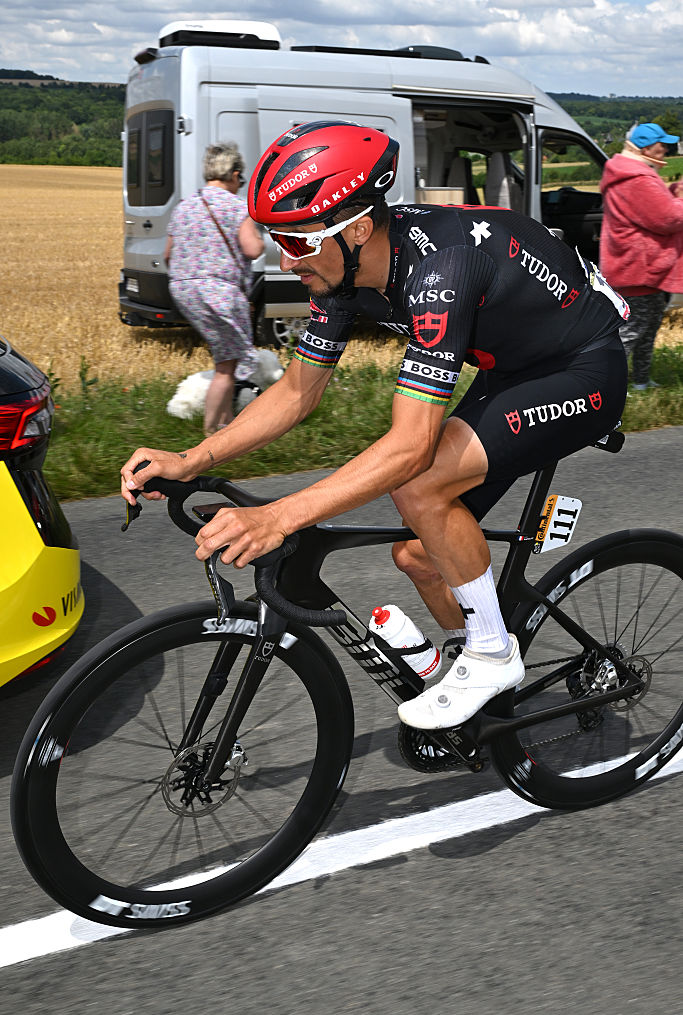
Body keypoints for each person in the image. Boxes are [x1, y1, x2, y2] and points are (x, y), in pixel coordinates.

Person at [122, 121, 628, 732]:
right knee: (418, 554)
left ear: (358, 227)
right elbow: (296, 392)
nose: (287, 259)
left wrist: (277, 516)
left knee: (418, 484)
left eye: (298, 242)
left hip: (582, 369)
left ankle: (492, 654)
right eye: (276, 239)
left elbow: (411, 448)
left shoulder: (439, 273)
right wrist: (192, 459)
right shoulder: (341, 270)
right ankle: (480, 668)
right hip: (512, 369)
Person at [164, 142, 265, 434]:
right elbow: (252, 249)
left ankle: (226, 422)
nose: (240, 184)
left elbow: (168, 254)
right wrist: (259, 240)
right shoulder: (236, 206)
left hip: (183, 289)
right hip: (219, 291)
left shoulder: (184, 206)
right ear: (233, 175)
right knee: (226, 367)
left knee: (224, 357)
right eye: (241, 178)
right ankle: (213, 433)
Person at [599, 122, 683, 391]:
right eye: (662, 144)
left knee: (646, 330)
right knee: (632, 333)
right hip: (640, 268)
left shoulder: (632, 173)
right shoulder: (638, 178)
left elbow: (651, 209)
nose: (666, 149)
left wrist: (672, 194)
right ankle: (606, 389)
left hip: (640, 267)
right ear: (647, 147)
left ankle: (640, 382)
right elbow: (668, 219)